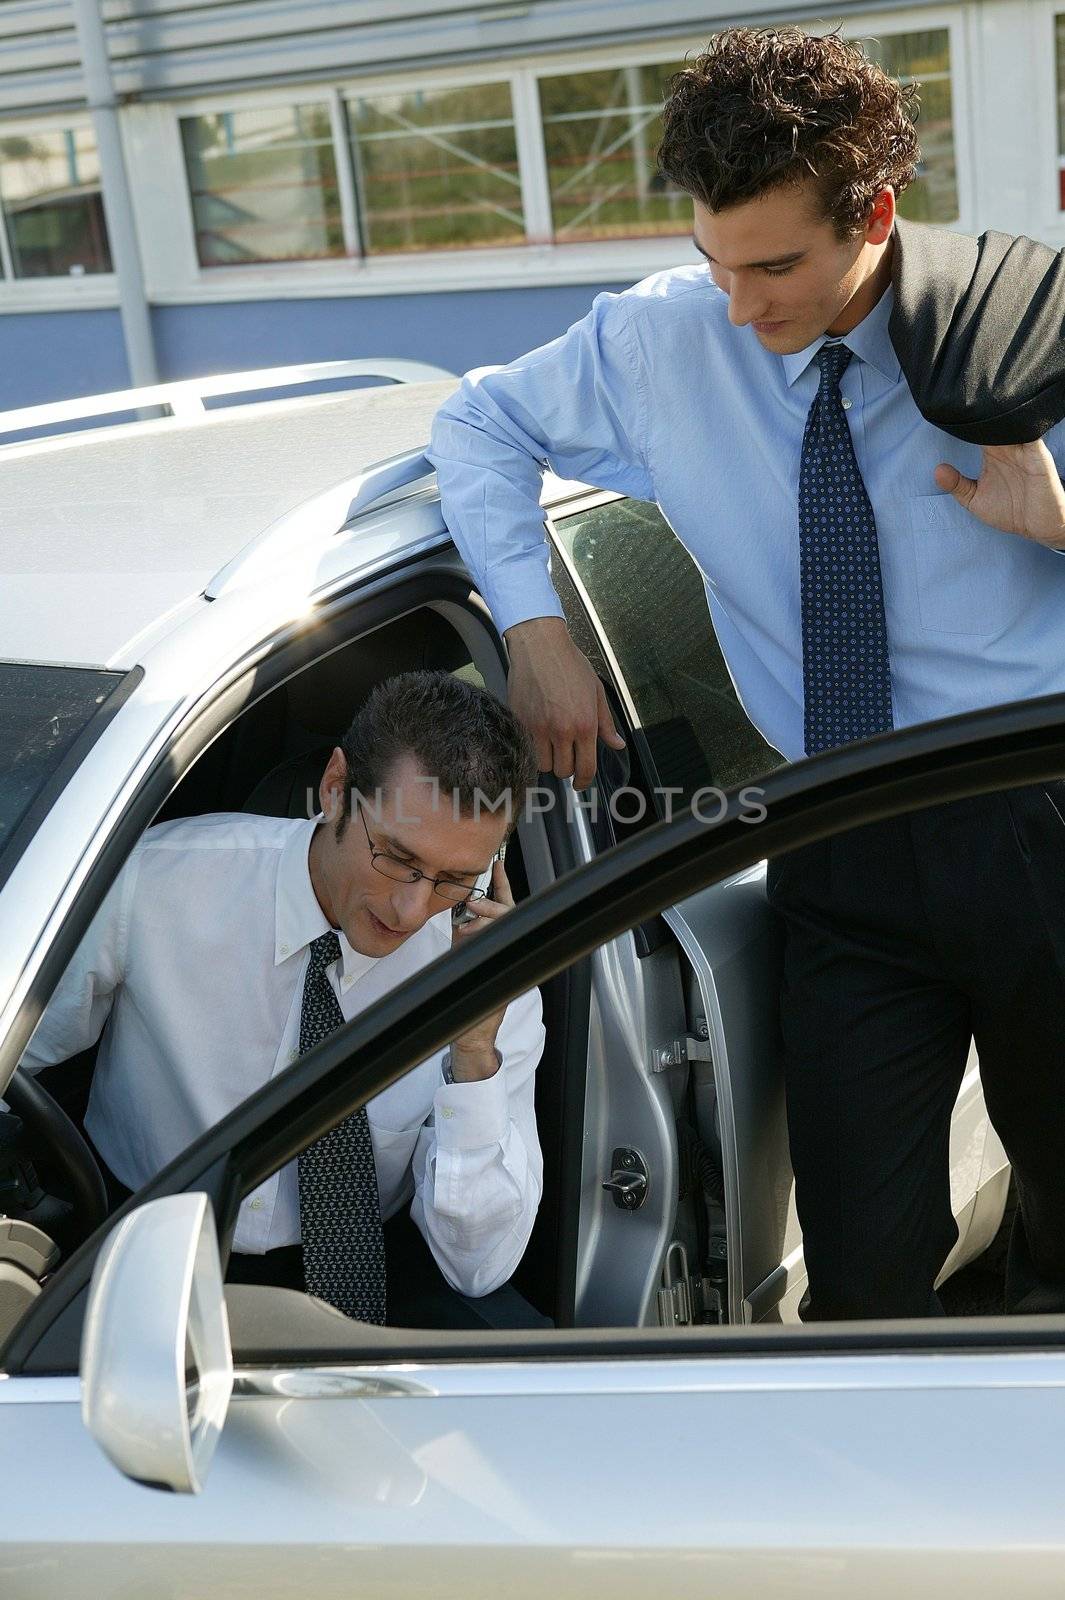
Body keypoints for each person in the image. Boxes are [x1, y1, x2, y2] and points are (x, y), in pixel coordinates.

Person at [428, 27, 1065, 1320]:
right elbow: (478, 420)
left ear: (874, 214)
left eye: (775, 265)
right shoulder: (668, 342)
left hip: (1033, 822)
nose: (741, 306)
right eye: (713, 263)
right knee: (860, 1264)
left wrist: (1058, 522)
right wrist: (533, 628)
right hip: (831, 831)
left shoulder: (1029, 337)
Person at [21, 671, 547, 1330]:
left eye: (453, 878)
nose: (414, 909)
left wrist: (473, 1050)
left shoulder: (493, 981)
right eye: (395, 858)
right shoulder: (155, 883)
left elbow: (480, 1267)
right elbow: (17, 1050)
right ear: (335, 789)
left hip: (366, 1275)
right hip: (130, 1244)